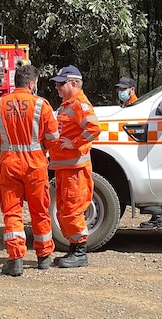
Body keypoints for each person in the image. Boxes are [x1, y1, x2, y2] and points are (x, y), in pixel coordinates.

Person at [0, 65, 59, 277]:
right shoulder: (42, 104)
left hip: (9, 162)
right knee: (40, 210)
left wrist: (4, 143)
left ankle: (15, 259)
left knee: (12, 211)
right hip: (35, 164)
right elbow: (53, 138)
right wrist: (40, 146)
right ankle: (43, 257)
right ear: (32, 84)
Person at [49, 65, 101, 268]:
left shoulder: (79, 104)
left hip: (75, 169)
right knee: (63, 209)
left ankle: (79, 252)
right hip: (65, 168)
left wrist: (75, 142)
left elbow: (94, 128)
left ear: (73, 83)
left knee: (71, 209)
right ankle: (73, 249)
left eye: (61, 84)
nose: (57, 87)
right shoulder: (67, 105)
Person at [116, 76, 162, 230]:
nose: (121, 92)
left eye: (124, 89)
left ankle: (157, 218)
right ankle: (156, 218)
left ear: (132, 90)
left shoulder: (135, 107)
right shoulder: (125, 105)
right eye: (119, 89)